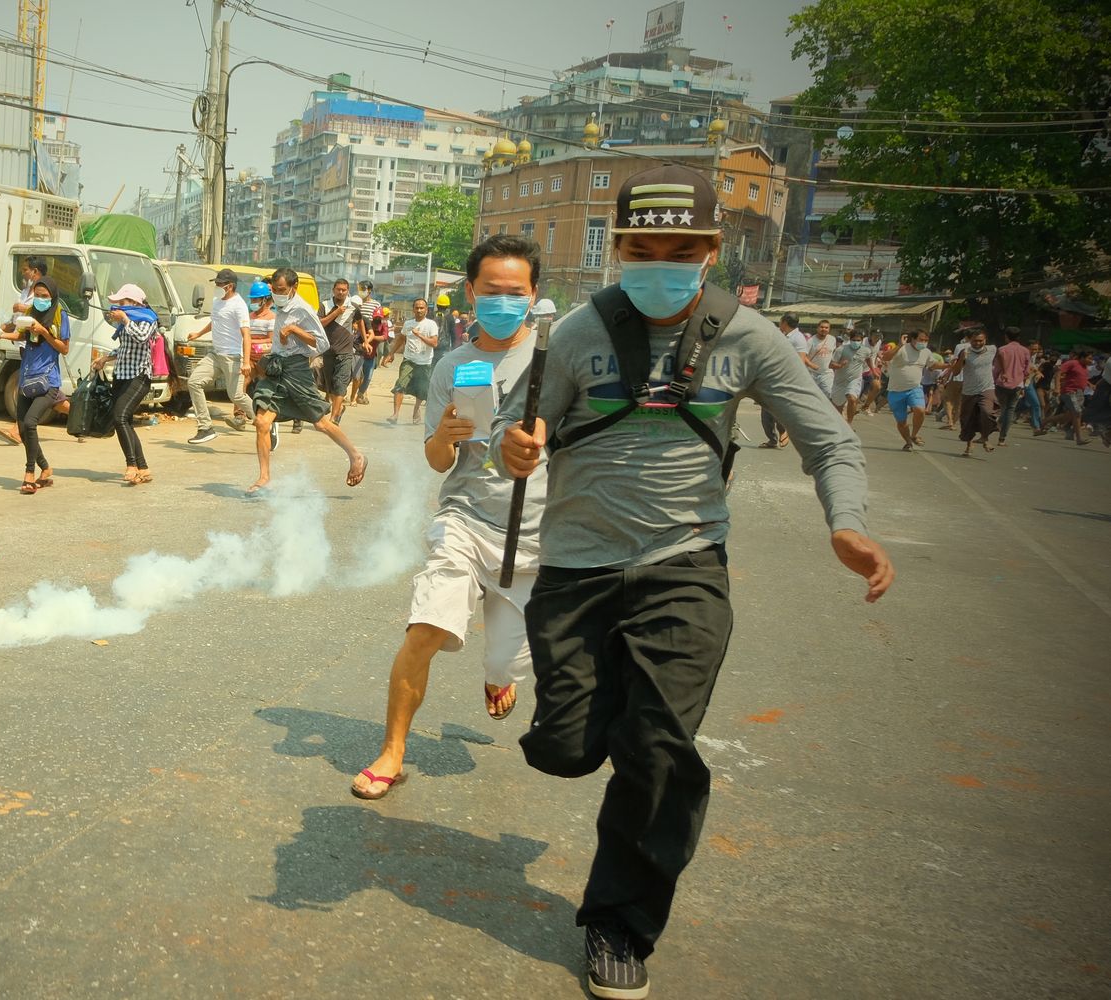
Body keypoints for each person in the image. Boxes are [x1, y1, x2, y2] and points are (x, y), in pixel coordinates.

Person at [493, 165, 890, 1000]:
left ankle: (619, 926)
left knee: (660, 751)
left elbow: (828, 440)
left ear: (713, 252)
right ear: (618, 249)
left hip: (686, 566)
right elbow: (521, 426)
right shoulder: (575, 330)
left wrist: (845, 522)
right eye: (642, 248)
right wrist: (516, 445)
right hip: (576, 571)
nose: (660, 263)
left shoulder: (750, 337)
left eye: (682, 250)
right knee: (567, 749)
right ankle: (583, 738)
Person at [351, 235, 548, 801]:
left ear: (534, 294)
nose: (504, 301)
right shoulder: (453, 367)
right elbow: (438, 463)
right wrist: (445, 434)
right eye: (492, 291)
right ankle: (392, 751)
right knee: (425, 629)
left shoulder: (555, 363)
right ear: (471, 291)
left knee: (506, 659)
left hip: (532, 534)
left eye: (516, 292)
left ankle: (497, 675)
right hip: (464, 517)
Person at [246, 268, 370, 494]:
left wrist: (294, 330)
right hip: (276, 368)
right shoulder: (278, 305)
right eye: (275, 290)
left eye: (282, 290)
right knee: (262, 422)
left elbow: (321, 344)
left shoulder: (303, 309)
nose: (277, 294)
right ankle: (264, 477)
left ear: (293, 288)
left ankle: (356, 455)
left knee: (320, 423)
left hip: (297, 370)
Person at [0, 277, 69, 492]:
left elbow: (64, 348)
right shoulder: (30, 311)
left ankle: (29, 473)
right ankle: (45, 468)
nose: (41, 300)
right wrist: (0, 335)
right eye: (38, 295)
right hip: (26, 379)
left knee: (31, 422)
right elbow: (19, 334)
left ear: (52, 296)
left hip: (48, 382)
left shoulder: (60, 315)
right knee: (23, 429)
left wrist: (43, 331)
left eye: (45, 296)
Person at [184, 268, 253, 444]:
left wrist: (246, 361)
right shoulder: (217, 301)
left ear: (229, 286)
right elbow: (215, 321)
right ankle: (205, 428)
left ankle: (265, 419)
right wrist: (198, 334)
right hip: (215, 354)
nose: (216, 286)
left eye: (219, 284)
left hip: (233, 357)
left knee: (236, 396)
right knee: (194, 382)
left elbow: (246, 335)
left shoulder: (239, 305)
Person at [104, 283, 158, 484]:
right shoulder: (129, 321)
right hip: (122, 375)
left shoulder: (147, 319)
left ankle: (131, 465)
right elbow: (125, 348)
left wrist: (125, 319)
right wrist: (105, 358)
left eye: (122, 302)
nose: (119, 306)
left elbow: (142, 338)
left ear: (134, 303)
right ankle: (143, 467)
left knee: (120, 417)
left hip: (139, 376)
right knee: (124, 421)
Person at [759, 313, 809, 447]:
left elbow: (801, 360)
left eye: (781, 321)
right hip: (772, 377)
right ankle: (772, 440)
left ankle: (784, 430)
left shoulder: (798, 339)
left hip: (784, 379)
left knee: (777, 409)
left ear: (785, 322)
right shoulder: (782, 335)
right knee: (766, 412)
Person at [948, 329, 999, 456]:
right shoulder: (965, 352)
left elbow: (1002, 359)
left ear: (985, 340)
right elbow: (955, 372)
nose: (977, 343)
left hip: (986, 388)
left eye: (980, 341)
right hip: (969, 391)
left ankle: (985, 438)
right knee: (968, 419)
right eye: (975, 341)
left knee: (987, 413)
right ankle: (969, 445)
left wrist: (1004, 373)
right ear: (970, 341)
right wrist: (961, 359)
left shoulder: (992, 350)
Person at [887, 329, 940, 450]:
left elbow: (933, 365)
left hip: (915, 388)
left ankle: (914, 435)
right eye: (921, 340)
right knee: (902, 422)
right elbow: (886, 357)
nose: (924, 342)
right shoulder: (902, 349)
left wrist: (950, 365)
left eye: (926, 340)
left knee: (920, 410)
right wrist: (900, 345)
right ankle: (908, 442)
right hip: (895, 391)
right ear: (913, 339)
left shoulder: (926, 352)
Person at [390, 298, 440, 424]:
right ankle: (395, 414)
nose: (419, 310)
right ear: (413, 309)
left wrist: (419, 335)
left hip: (424, 362)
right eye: (416, 308)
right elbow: (401, 339)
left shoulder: (431, 325)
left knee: (422, 389)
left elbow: (434, 343)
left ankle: (416, 409)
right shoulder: (408, 324)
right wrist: (391, 353)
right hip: (409, 360)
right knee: (400, 385)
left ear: (426, 310)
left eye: (421, 308)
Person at [318, 278, 359, 422]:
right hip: (328, 351)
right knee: (331, 386)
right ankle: (339, 408)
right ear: (333, 290)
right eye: (338, 289)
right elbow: (320, 323)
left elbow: (362, 322)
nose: (341, 292)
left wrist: (365, 340)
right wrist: (335, 313)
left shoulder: (353, 306)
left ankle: (334, 417)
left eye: (344, 290)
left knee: (340, 383)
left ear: (348, 291)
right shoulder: (325, 305)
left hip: (346, 352)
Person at [992, 328, 1033, 446]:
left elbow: (997, 368)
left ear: (1006, 337)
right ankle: (1002, 439)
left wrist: (993, 380)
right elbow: (1026, 371)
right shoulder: (1025, 351)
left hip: (1002, 383)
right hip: (1018, 384)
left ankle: (995, 426)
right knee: (1010, 410)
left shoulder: (1002, 350)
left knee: (1003, 408)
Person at [1054, 347, 1095, 445]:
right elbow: (1058, 372)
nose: (1091, 361)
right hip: (1070, 392)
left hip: (1080, 393)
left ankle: (1047, 422)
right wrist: (1057, 387)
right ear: (1082, 357)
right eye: (1089, 358)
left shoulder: (1084, 367)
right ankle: (1079, 439)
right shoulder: (1072, 363)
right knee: (1077, 413)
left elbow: (1081, 378)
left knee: (1072, 414)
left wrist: (1089, 384)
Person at [829, 325, 869, 424]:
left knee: (852, 398)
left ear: (862, 340)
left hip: (854, 379)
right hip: (840, 382)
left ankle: (849, 423)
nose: (856, 342)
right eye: (854, 340)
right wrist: (839, 365)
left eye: (858, 340)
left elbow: (868, 358)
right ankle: (839, 426)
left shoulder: (866, 350)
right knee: (838, 408)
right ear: (850, 339)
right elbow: (831, 365)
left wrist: (873, 368)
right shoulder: (841, 349)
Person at [805, 319, 838, 401]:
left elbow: (833, 353)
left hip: (826, 373)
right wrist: (811, 365)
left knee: (830, 394)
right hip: (812, 374)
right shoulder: (811, 341)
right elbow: (803, 356)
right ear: (817, 328)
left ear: (829, 329)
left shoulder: (832, 339)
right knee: (811, 397)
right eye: (822, 327)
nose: (824, 329)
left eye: (826, 328)